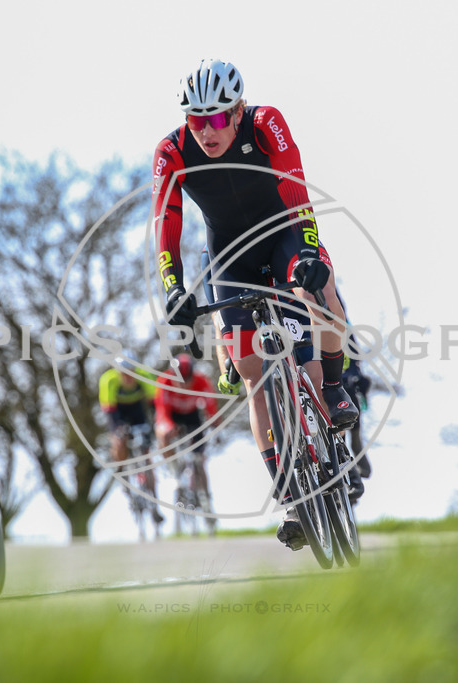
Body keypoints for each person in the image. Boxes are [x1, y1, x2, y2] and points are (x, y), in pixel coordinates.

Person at [152, 59, 359, 550]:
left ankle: (331, 389)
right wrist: (174, 288)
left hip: (284, 234)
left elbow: (295, 187)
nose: (207, 131)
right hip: (230, 256)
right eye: (196, 120)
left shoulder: (266, 122)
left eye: (219, 118)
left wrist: (309, 249)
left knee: (321, 297)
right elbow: (167, 224)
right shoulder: (171, 150)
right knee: (250, 371)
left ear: (239, 109)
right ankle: (292, 498)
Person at [98, 357, 162, 525]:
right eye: (124, 374)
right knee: (119, 441)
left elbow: (155, 403)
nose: (128, 377)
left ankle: (154, 503)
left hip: (138, 413)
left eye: (131, 373)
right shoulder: (109, 380)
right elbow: (109, 410)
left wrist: (157, 423)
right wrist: (118, 431)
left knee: (147, 456)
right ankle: (122, 472)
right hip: (118, 414)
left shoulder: (145, 376)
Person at [153, 353, 219, 513]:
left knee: (199, 459)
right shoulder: (164, 382)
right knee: (162, 434)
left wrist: (216, 428)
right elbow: (161, 412)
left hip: (192, 417)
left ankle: (206, 497)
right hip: (172, 417)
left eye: (186, 380)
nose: (183, 385)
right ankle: (175, 471)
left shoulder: (202, 380)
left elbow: (211, 409)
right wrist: (169, 428)